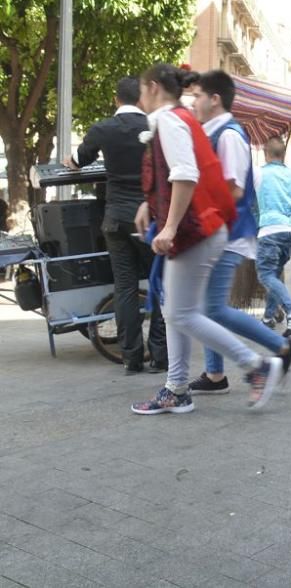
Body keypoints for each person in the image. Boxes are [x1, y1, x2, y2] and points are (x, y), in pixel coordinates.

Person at [130, 63, 282, 414]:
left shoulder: (170, 120)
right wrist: (150, 207)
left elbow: (185, 173)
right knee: (177, 312)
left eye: (141, 90)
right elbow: (181, 174)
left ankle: (255, 366)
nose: (140, 99)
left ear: (153, 87)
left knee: (183, 313)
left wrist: (167, 226)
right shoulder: (182, 119)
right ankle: (177, 388)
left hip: (195, 231)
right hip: (203, 229)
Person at [184, 70, 291, 395]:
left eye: (197, 96)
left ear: (214, 99)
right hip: (219, 231)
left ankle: (279, 346)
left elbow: (233, 190)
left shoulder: (229, 135)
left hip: (227, 232)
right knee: (209, 307)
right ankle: (214, 374)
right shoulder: (214, 131)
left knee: (212, 309)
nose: (193, 102)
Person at [67, 77, 168, 375]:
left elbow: (77, 160)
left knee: (124, 287)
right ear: (141, 100)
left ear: (116, 100)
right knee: (159, 283)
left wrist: (69, 161)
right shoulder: (154, 128)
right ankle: (160, 356)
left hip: (114, 219)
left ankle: (131, 358)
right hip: (149, 218)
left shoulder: (102, 129)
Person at [255, 136, 291, 334]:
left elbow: (249, 200)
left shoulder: (259, 173)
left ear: (265, 153)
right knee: (275, 274)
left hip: (270, 229)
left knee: (266, 274)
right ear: (283, 154)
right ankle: (268, 318)